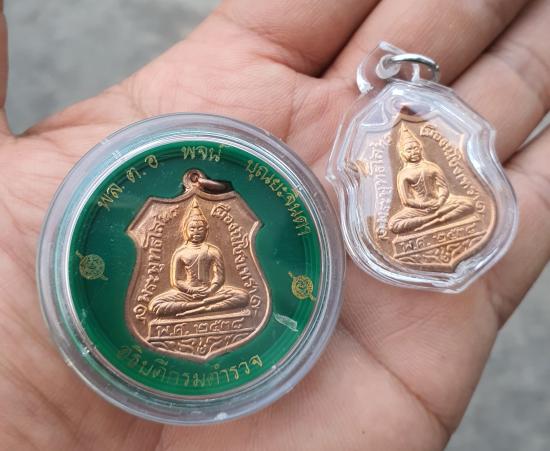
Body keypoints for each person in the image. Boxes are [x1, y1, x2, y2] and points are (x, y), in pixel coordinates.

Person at [1, 1, 549, 450]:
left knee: (238, 295)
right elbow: (182, 287)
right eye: (193, 234)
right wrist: (191, 296)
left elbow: (224, 285)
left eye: (201, 233)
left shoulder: (420, 165)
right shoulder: (185, 251)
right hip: (182, 310)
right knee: (168, 303)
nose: (197, 238)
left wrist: (433, 205)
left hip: (229, 302)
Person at [149, 198, 249, 317]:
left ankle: (204, 308)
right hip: (187, 294)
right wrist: (191, 290)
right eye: (192, 228)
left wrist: (210, 291)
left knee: (243, 296)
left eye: (200, 228)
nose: (196, 232)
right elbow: (177, 280)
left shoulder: (213, 251)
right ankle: (201, 306)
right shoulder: (180, 253)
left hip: (211, 292)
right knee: (155, 305)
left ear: (206, 230)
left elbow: (219, 277)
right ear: (185, 230)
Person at [388, 124, 474, 234]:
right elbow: (406, 200)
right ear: (402, 153)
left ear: (420, 149)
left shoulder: (432, 167)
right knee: (393, 224)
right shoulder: (404, 174)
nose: (413, 152)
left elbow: (443, 188)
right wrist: (425, 205)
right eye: (409, 150)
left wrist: (440, 201)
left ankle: (439, 220)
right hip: (419, 209)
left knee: (469, 203)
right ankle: (433, 218)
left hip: (441, 203)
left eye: (415, 148)